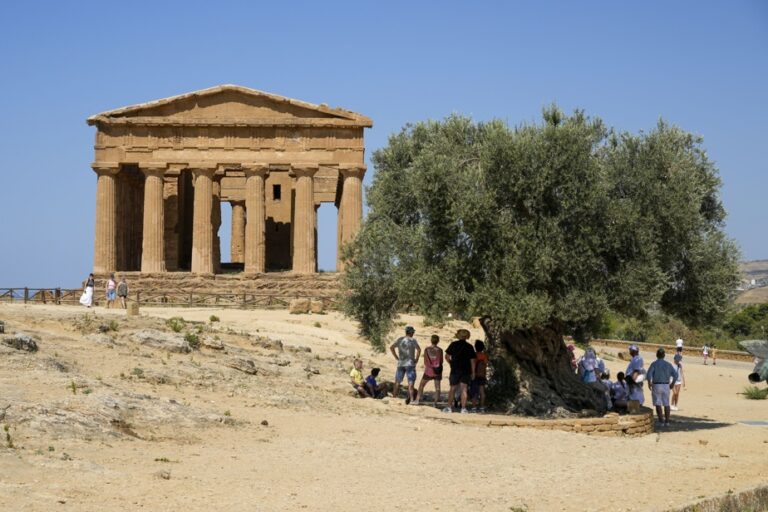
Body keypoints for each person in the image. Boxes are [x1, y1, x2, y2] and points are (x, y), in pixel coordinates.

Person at [444, 329, 476, 414]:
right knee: (464, 389)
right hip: (466, 370)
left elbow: (447, 356)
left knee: (453, 388)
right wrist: (473, 372)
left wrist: (451, 363)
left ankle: (449, 407)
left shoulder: (453, 344)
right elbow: (472, 361)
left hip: (455, 370)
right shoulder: (469, 347)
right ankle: (463, 408)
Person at [647, 347, 678, 427]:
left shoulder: (654, 364)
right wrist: (672, 384)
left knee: (658, 404)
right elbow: (675, 375)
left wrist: (649, 383)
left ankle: (661, 421)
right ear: (664, 355)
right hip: (666, 385)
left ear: (657, 355)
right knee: (666, 404)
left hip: (656, 385)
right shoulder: (668, 364)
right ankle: (667, 421)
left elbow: (649, 375)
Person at [390, 326, 421, 403]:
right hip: (410, 363)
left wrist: (396, 357)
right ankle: (411, 399)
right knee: (410, 382)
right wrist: (416, 359)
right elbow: (419, 349)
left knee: (397, 381)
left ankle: (394, 397)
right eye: (413, 332)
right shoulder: (412, 340)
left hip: (401, 363)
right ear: (410, 332)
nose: (413, 333)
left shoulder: (400, 339)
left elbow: (391, 347)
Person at [415, 335, 443, 407]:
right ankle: (435, 403)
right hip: (437, 371)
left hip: (428, 370)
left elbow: (425, 361)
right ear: (438, 341)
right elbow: (441, 361)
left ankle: (417, 399)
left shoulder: (427, 349)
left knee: (421, 385)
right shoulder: (440, 350)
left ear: (431, 340)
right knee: (437, 387)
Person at [470, 340, 489, 412]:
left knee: (474, 391)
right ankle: (482, 407)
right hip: (482, 375)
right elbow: (485, 364)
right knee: (482, 391)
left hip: (474, 375)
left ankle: (474, 407)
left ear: (475, 347)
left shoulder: (473, 355)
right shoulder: (484, 355)